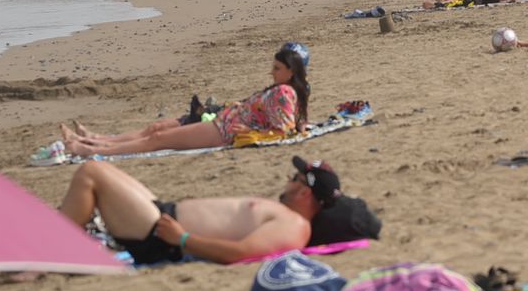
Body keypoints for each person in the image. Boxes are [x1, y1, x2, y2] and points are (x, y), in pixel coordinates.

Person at [57, 155, 380, 264]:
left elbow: (242, 253)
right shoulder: (291, 218)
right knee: (98, 169)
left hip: (160, 236)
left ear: (305, 191)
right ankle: (51, 239)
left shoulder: (296, 227)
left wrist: (182, 239)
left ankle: (45, 251)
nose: (287, 178)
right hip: (163, 218)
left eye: (294, 177)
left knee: (91, 173)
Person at [61, 45, 310, 156]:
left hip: (224, 131)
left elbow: (283, 130)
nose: (272, 72)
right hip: (223, 124)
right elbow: (291, 124)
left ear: (290, 71)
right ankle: (95, 143)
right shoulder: (282, 89)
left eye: (276, 68)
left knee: (157, 139)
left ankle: (92, 149)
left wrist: (248, 129)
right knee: (155, 136)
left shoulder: (284, 93)